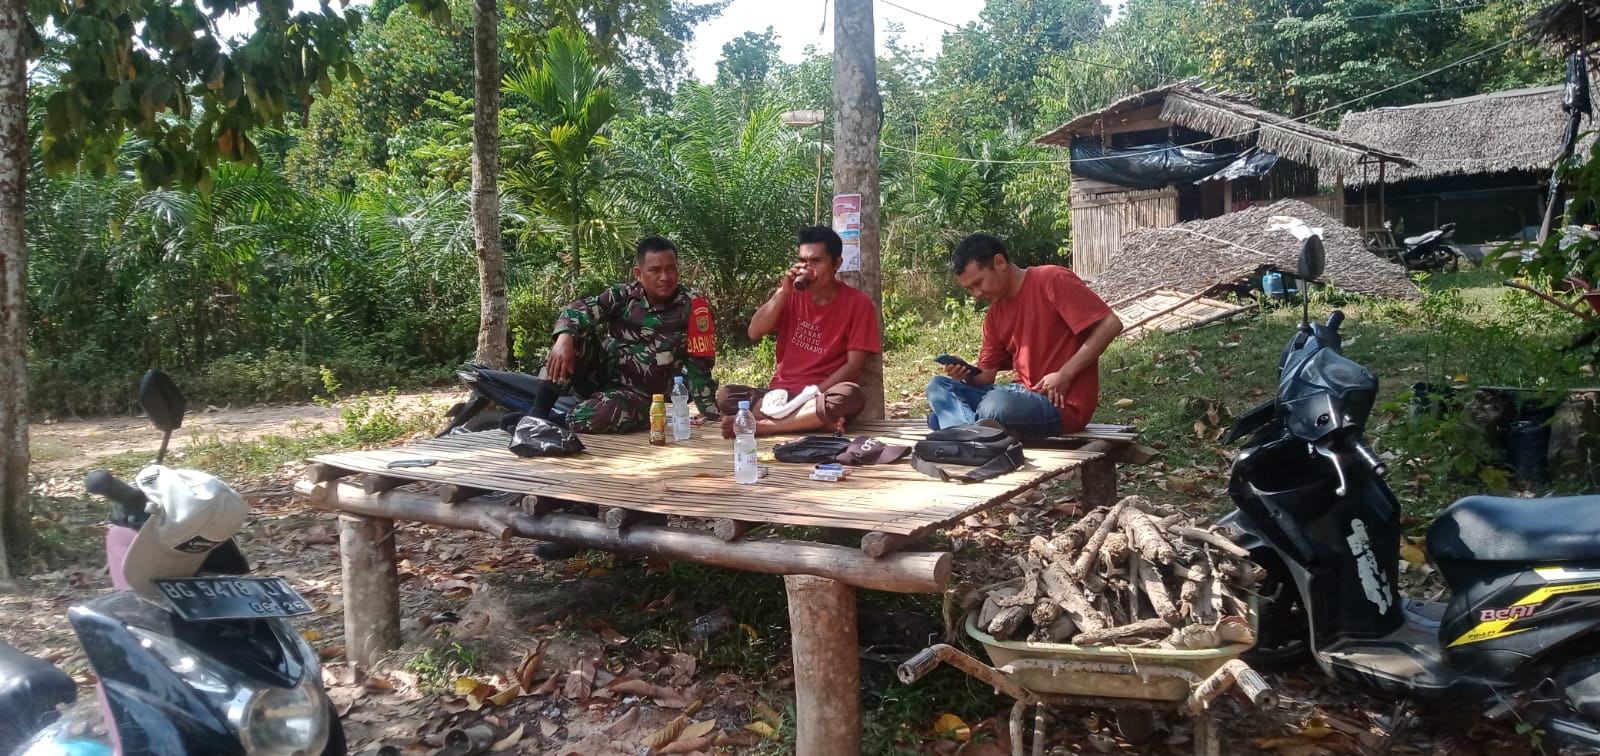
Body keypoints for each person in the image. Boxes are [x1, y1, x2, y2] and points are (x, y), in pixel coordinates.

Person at [925, 232, 1123, 438]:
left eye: (978, 283)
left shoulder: (1051, 279)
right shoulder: (994, 315)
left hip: (1060, 404)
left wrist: (1065, 374)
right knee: (938, 387)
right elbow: (986, 377)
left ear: (999, 262)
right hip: (1018, 394)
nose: (976, 293)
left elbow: (1111, 324)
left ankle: (960, 428)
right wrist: (965, 371)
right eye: (970, 289)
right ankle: (973, 435)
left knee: (993, 405)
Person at [532, 236, 719, 434]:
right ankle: (535, 416)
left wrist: (712, 415)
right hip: (599, 379)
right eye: (655, 270)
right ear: (639, 273)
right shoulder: (622, 295)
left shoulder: (695, 306)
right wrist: (563, 339)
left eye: (671, 269)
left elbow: (700, 365)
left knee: (607, 413)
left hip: (639, 398)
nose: (665, 277)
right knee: (570, 338)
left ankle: (551, 422)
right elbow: (580, 309)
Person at [716, 226, 881, 436]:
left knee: (850, 395)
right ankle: (811, 422)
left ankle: (763, 426)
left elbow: (853, 365)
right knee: (727, 396)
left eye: (816, 261)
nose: (808, 268)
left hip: (820, 393)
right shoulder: (790, 293)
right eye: (803, 261)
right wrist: (782, 293)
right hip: (781, 395)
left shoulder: (858, 303)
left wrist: (815, 394)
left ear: (836, 263)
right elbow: (754, 332)